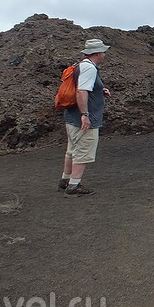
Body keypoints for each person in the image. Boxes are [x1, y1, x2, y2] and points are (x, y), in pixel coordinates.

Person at [59, 39, 112, 196]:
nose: (104, 54)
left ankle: (65, 180)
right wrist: (85, 115)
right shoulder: (89, 68)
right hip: (82, 119)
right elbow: (81, 91)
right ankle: (74, 186)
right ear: (96, 53)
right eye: (103, 52)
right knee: (83, 151)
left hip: (71, 117)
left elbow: (85, 88)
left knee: (72, 150)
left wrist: (100, 91)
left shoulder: (81, 65)